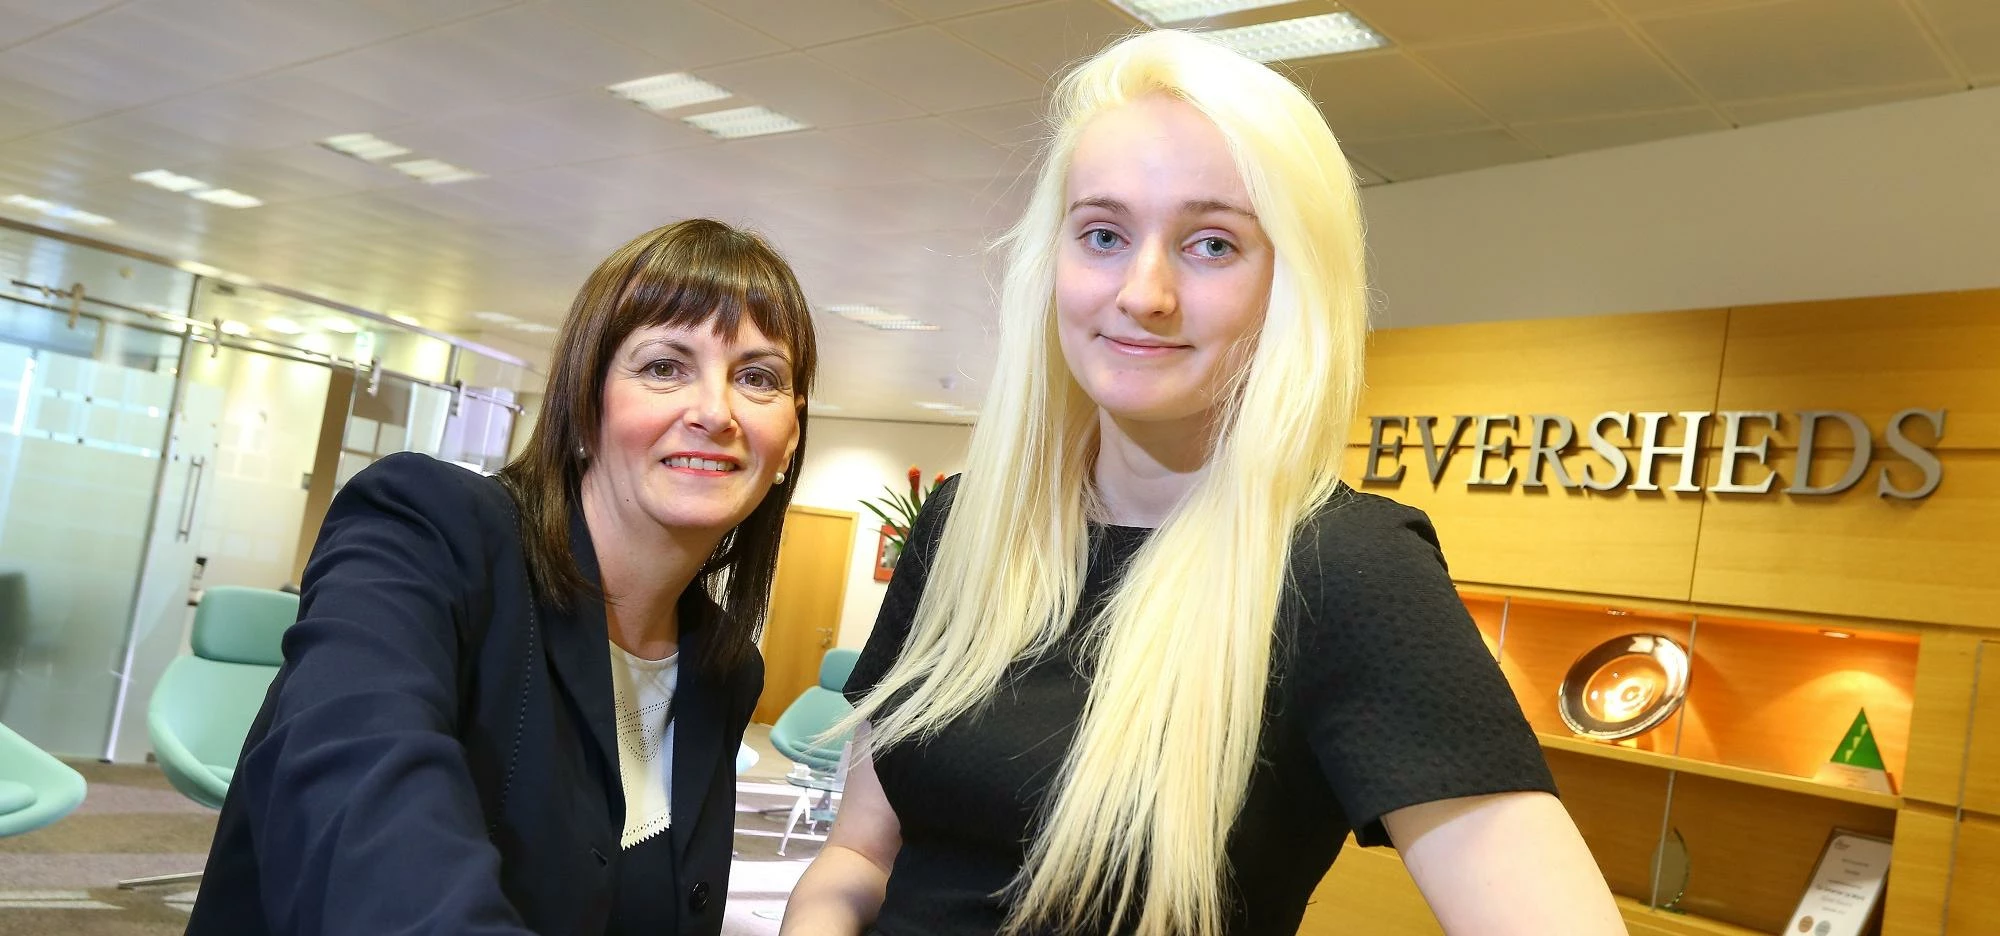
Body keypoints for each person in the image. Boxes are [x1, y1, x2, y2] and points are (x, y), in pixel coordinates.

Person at [781, 29, 1624, 936]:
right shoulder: (963, 526)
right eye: (1103, 234)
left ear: (1288, 285)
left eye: (1212, 244)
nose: (1144, 291)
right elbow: (859, 857)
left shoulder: (1344, 569)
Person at [188, 218, 816, 935]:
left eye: (758, 377)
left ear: (790, 437)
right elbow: (363, 813)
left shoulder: (724, 667)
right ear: (584, 408)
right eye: (664, 367)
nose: (715, 411)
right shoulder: (429, 531)